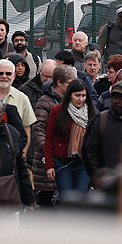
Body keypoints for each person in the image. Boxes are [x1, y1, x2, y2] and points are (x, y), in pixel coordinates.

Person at [45, 80, 96, 196]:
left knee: (80, 200)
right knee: (67, 200)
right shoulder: (57, 111)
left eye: (83, 96)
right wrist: (49, 165)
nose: (80, 99)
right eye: (77, 95)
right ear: (70, 95)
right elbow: (48, 138)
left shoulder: (91, 112)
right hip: (62, 162)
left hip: (83, 163)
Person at [31, 66, 73, 206]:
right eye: (69, 83)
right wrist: (49, 151)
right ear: (59, 83)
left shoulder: (71, 101)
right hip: (46, 161)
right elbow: (38, 129)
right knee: (46, 202)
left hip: (65, 158)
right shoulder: (45, 101)